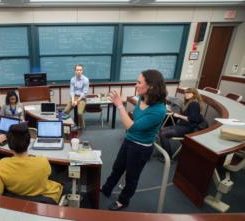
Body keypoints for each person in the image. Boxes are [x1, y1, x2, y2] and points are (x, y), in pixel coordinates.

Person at [101, 69, 167, 211]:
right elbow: (134, 122)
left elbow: (131, 126)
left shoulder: (159, 110)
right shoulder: (142, 99)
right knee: (117, 168)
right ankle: (106, 188)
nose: (136, 85)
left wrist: (119, 105)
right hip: (129, 141)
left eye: (139, 82)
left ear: (151, 86)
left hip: (141, 148)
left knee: (131, 177)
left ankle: (123, 201)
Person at [0, 123, 63, 204]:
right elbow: (48, 173)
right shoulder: (43, 162)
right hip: (42, 201)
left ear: (9, 144)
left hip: (16, 205)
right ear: (29, 141)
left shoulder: (0, 166)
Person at [159, 87, 204, 159]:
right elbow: (186, 116)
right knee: (161, 130)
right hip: (182, 125)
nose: (186, 94)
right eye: (185, 93)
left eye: (188, 93)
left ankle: (167, 156)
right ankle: (165, 153)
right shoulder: (190, 103)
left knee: (164, 134)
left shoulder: (194, 104)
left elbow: (193, 119)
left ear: (194, 94)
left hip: (188, 128)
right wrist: (172, 111)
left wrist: (178, 115)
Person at [64, 64, 89, 128]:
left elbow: (84, 93)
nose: (79, 71)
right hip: (74, 97)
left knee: (79, 113)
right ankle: (68, 124)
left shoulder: (86, 80)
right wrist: (72, 100)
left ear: (82, 71)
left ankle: (81, 126)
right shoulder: (72, 79)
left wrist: (77, 101)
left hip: (82, 98)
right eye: (77, 70)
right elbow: (72, 91)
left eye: (80, 70)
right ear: (75, 71)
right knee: (65, 111)